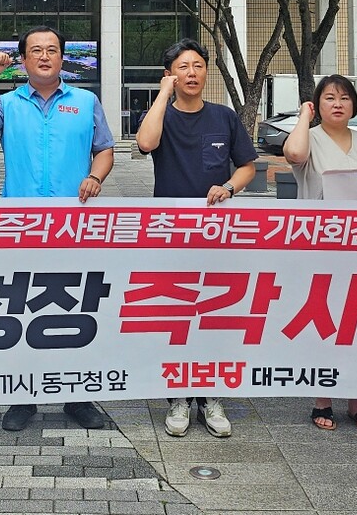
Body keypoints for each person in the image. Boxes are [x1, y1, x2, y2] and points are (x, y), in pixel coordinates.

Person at [0, 25, 115, 431]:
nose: (45, 56)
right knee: (22, 308)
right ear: (25, 60)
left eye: (52, 50)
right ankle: (23, 396)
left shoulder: (86, 101)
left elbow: (104, 149)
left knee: (76, 308)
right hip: (19, 227)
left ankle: (77, 396)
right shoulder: (7, 102)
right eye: (36, 51)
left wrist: (96, 178)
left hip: (75, 226)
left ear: (63, 57)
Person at [136, 39, 256, 438]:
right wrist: (163, 95)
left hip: (217, 234)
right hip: (169, 234)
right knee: (177, 314)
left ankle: (210, 394)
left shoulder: (223, 117)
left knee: (213, 313)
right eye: (182, 67)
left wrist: (229, 188)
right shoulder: (161, 116)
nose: (192, 73)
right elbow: (146, 143)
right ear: (170, 74)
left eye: (198, 66)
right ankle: (178, 397)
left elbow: (247, 167)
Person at [284, 74, 357, 434]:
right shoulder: (310, 139)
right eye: (329, 97)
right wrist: (304, 116)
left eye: (345, 98)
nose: (337, 103)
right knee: (324, 322)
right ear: (318, 105)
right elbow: (294, 154)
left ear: (354, 106)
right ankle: (322, 400)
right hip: (318, 249)